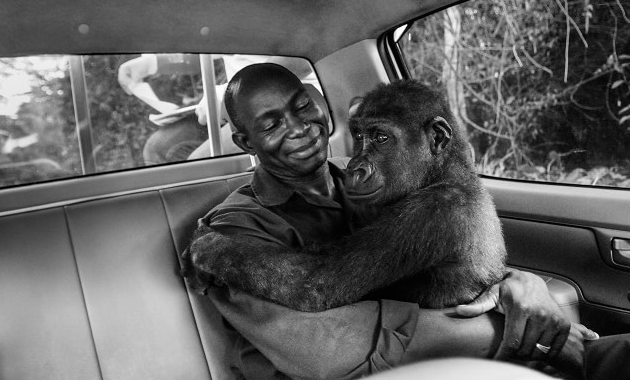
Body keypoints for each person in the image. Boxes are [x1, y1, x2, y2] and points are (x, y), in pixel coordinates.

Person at [179, 63, 625, 380]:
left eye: (302, 106)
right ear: (244, 141)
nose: (301, 128)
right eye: (272, 123)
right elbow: (326, 350)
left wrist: (519, 283)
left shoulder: (383, 184)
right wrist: (210, 248)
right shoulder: (234, 228)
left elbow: (443, 265)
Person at [117, 54, 320, 164]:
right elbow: (208, 52)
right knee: (159, 147)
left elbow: (302, 56)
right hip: (236, 105)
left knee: (197, 167)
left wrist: (232, 93)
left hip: (289, 98)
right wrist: (150, 64)